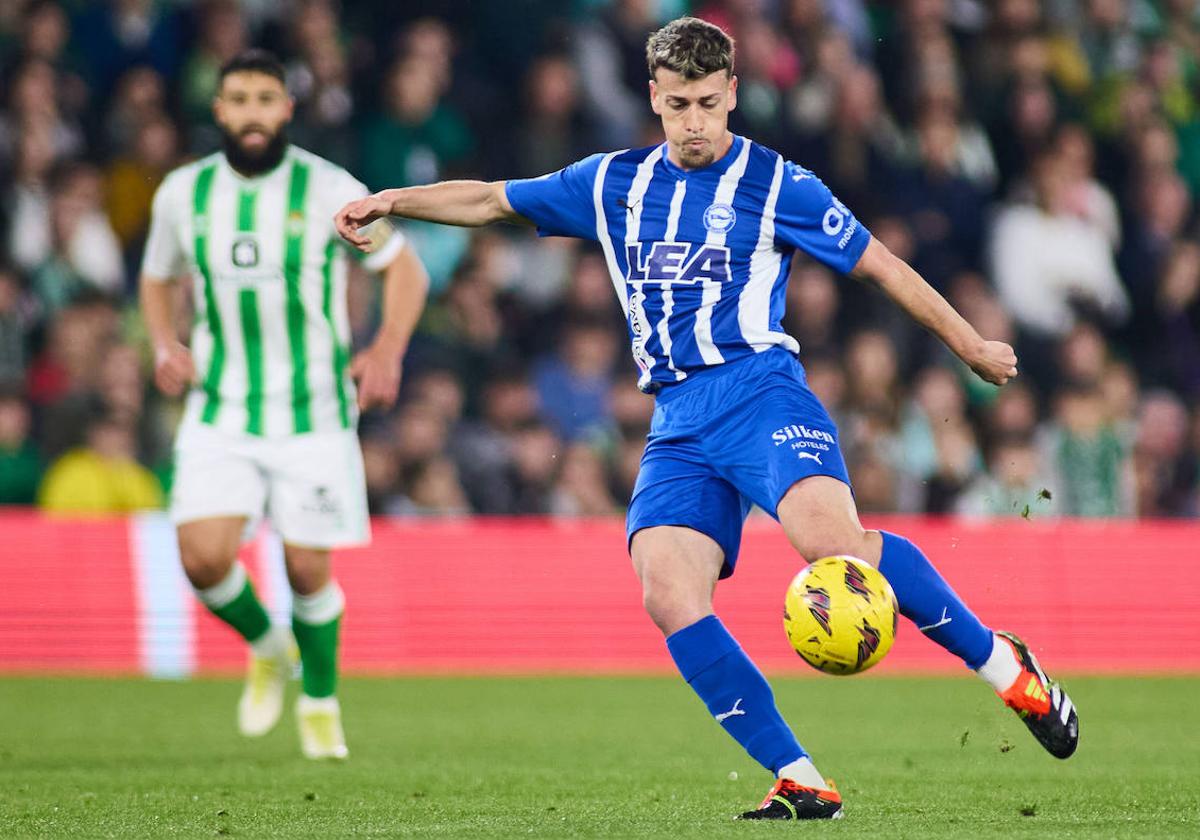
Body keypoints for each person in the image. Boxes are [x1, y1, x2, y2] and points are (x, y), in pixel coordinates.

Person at [334, 18, 1078, 819]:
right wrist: (393, 201)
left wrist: (968, 345)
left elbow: (881, 266)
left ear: (733, 97)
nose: (694, 122)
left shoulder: (779, 183)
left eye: (708, 104)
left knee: (835, 548)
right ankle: (799, 774)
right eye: (678, 103)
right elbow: (488, 199)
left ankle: (1007, 669)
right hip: (677, 421)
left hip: (762, 390)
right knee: (667, 592)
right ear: (654, 99)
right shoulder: (611, 182)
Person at [139, 50, 429, 760]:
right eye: (238, 98)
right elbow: (156, 276)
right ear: (219, 108)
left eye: (265, 98)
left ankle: (321, 702)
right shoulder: (183, 193)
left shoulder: (331, 187)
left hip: (315, 411)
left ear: (287, 109)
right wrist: (162, 342)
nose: (252, 113)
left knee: (307, 569)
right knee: (202, 560)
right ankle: (269, 647)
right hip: (221, 407)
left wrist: (387, 348)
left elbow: (405, 269)